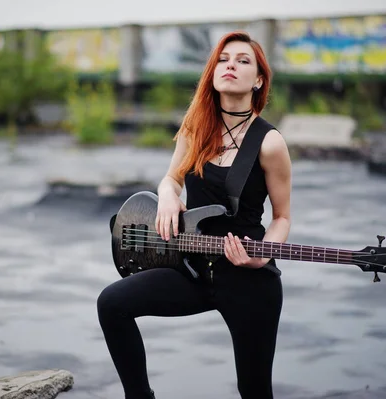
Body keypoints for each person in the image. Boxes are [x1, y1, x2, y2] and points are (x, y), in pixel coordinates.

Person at [97, 31, 292, 399]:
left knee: (253, 390)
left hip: (248, 280)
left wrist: (263, 253)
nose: (230, 65)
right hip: (192, 269)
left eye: (242, 60)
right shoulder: (196, 126)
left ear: (259, 80)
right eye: (222, 59)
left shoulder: (270, 143)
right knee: (111, 304)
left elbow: (282, 217)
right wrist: (168, 196)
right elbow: (171, 178)